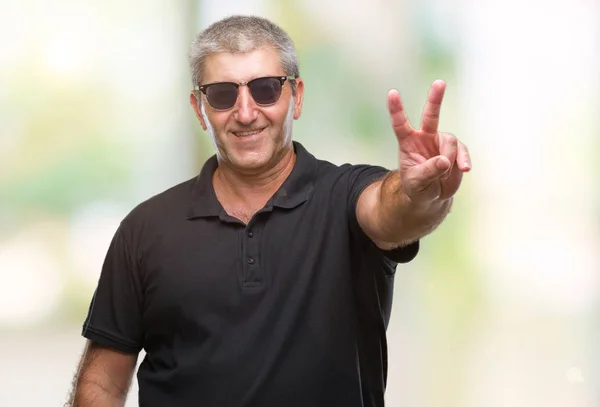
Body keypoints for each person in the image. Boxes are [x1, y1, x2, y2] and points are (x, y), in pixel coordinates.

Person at [66, 14, 471, 407]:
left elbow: (393, 211)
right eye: (223, 94)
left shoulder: (346, 196)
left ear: (295, 97)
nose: (245, 112)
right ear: (199, 108)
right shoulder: (145, 230)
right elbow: (102, 382)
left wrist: (422, 193)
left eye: (265, 89)